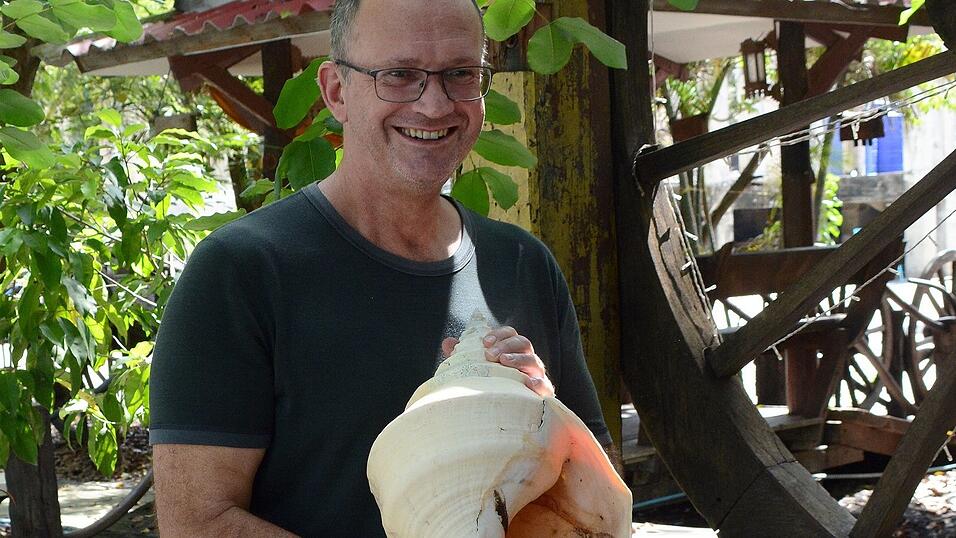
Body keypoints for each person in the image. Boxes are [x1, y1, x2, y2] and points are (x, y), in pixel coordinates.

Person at [149, 0, 615, 535]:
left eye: (461, 74)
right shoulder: (240, 273)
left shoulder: (522, 263)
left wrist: (545, 419)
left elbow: (596, 509)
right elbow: (197, 524)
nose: (436, 104)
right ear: (336, 91)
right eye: (400, 75)